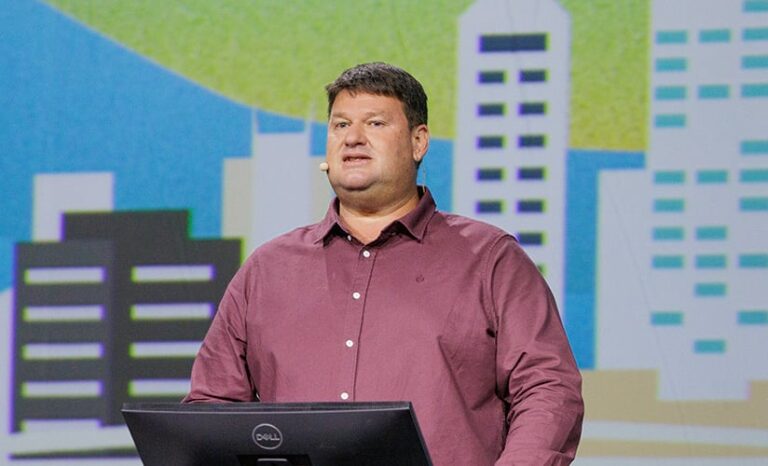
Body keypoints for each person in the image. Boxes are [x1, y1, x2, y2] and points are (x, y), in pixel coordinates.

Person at [184, 62, 584, 465]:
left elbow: (548, 388)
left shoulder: (490, 259)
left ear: (418, 141)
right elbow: (214, 406)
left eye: (375, 124)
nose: (352, 139)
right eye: (340, 125)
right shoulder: (268, 270)